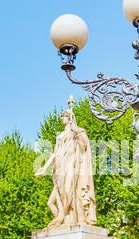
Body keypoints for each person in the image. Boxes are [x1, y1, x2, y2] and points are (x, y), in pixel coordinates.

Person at [35, 98, 97, 228]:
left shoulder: (77, 131)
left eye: (64, 116)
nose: (62, 118)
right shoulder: (60, 136)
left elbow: (85, 145)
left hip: (71, 166)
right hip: (60, 168)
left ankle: (72, 218)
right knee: (60, 194)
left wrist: (77, 131)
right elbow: (55, 153)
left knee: (70, 191)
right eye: (62, 116)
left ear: (70, 118)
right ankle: (63, 218)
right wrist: (44, 167)